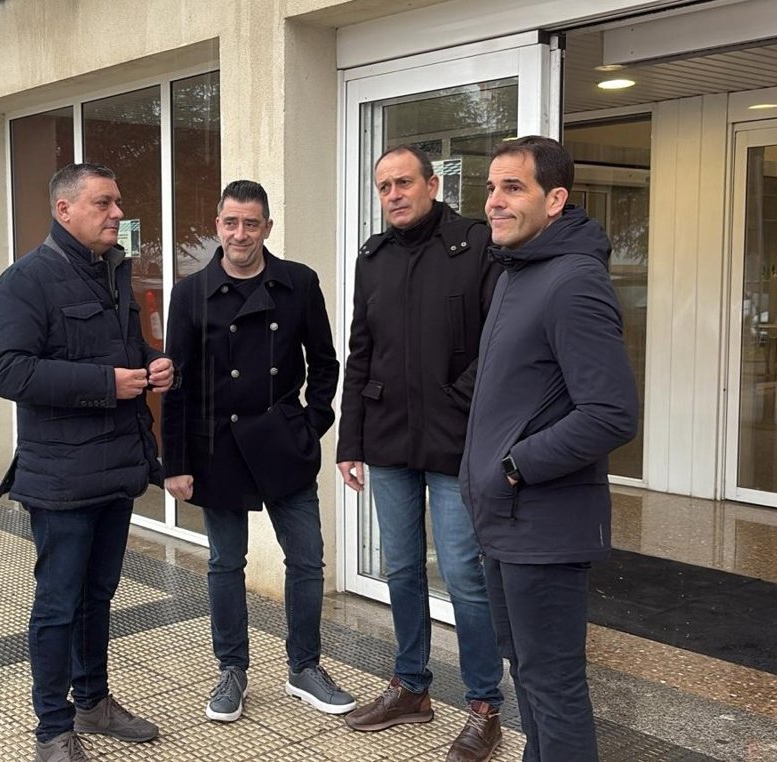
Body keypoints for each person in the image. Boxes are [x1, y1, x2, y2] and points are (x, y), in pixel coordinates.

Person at [0, 163, 172, 762]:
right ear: (64, 210)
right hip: (61, 480)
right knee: (58, 605)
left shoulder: (112, 272)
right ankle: (52, 728)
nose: (117, 213)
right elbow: (6, 371)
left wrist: (153, 361)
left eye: (117, 202)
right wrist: (104, 384)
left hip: (116, 469)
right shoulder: (24, 282)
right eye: (103, 203)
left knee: (98, 596)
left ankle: (93, 702)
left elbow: (122, 349)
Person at [461, 136, 638, 762]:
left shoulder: (573, 281)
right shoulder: (518, 272)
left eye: (513, 188)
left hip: (543, 523)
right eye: (491, 188)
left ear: (555, 199)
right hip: (505, 521)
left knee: (553, 687)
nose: (495, 201)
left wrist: (515, 466)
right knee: (528, 675)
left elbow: (611, 413)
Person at [161, 180, 355, 723]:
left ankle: (305, 668)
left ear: (267, 227)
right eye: (231, 222)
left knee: (307, 560)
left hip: (282, 444)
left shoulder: (298, 282)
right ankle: (232, 671)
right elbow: (176, 383)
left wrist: (310, 424)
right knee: (226, 564)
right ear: (217, 226)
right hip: (217, 447)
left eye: (251, 223)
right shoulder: (190, 293)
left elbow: (325, 363)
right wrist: (175, 463)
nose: (240, 233)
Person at [337, 145, 505, 762]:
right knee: (402, 569)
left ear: (433, 184)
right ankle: (411, 686)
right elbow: (360, 351)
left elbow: (498, 343)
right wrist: (350, 440)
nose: (394, 195)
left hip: (454, 441)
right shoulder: (373, 257)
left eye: (404, 182)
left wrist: (459, 402)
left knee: (462, 573)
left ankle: (484, 705)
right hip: (387, 438)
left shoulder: (475, 245)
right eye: (384, 187)